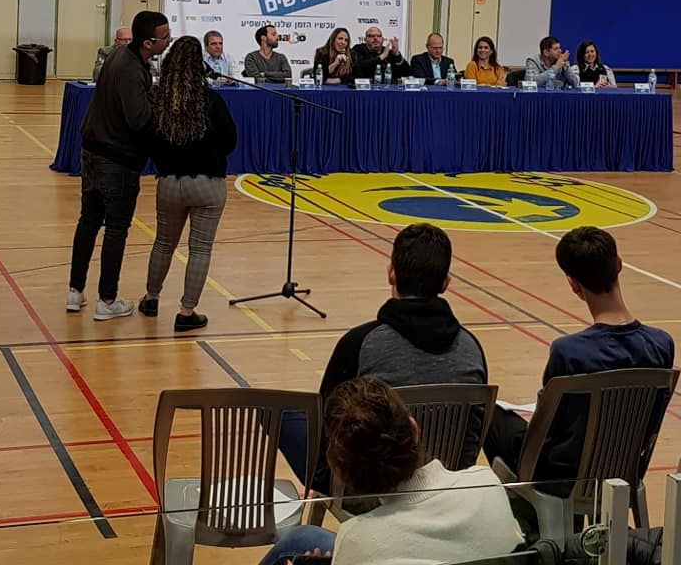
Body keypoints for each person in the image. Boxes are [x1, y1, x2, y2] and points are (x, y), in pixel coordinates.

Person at [279, 223, 488, 492]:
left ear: (391, 274)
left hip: (366, 489)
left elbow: (326, 424)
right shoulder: (472, 349)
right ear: (445, 283)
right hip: (447, 484)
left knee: (282, 414)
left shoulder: (359, 343)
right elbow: (474, 433)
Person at [483, 226, 675, 485]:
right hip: (626, 468)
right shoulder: (662, 344)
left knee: (491, 415)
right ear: (619, 265)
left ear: (573, 284)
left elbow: (548, 428)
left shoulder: (568, 351)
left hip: (563, 476)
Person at [260, 378, 523, 565]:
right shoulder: (487, 483)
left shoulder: (358, 539)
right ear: (414, 429)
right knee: (300, 537)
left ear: (341, 471)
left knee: (297, 540)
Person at [67, 11, 170, 321]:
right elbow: (139, 119)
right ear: (148, 42)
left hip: (93, 149)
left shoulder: (120, 56)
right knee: (115, 228)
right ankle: (107, 299)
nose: (168, 41)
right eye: (165, 37)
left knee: (88, 220)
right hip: (115, 157)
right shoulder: (131, 69)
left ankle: (75, 291)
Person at [138, 36, 237, 332]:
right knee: (200, 249)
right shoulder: (211, 100)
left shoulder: (159, 99)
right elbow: (229, 141)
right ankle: (186, 311)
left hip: (169, 182)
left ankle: (151, 298)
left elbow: (149, 140)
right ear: (200, 66)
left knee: (163, 243)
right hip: (207, 183)